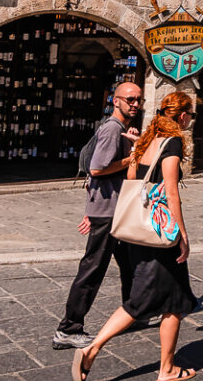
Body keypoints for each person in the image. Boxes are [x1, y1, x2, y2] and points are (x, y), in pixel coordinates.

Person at [74, 91, 201, 381]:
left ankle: (167, 367)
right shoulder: (171, 143)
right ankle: (93, 348)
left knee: (174, 300)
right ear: (181, 115)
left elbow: (132, 176)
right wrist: (182, 235)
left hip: (137, 233)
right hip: (159, 235)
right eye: (190, 115)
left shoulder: (145, 140)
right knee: (141, 303)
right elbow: (171, 192)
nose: (190, 121)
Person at [52, 83, 143, 349]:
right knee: (92, 271)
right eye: (129, 99)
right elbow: (98, 168)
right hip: (108, 213)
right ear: (116, 101)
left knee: (132, 265)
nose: (135, 104)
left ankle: (136, 311)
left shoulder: (120, 129)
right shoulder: (113, 129)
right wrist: (132, 156)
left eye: (138, 99)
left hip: (114, 210)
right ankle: (68, 328)